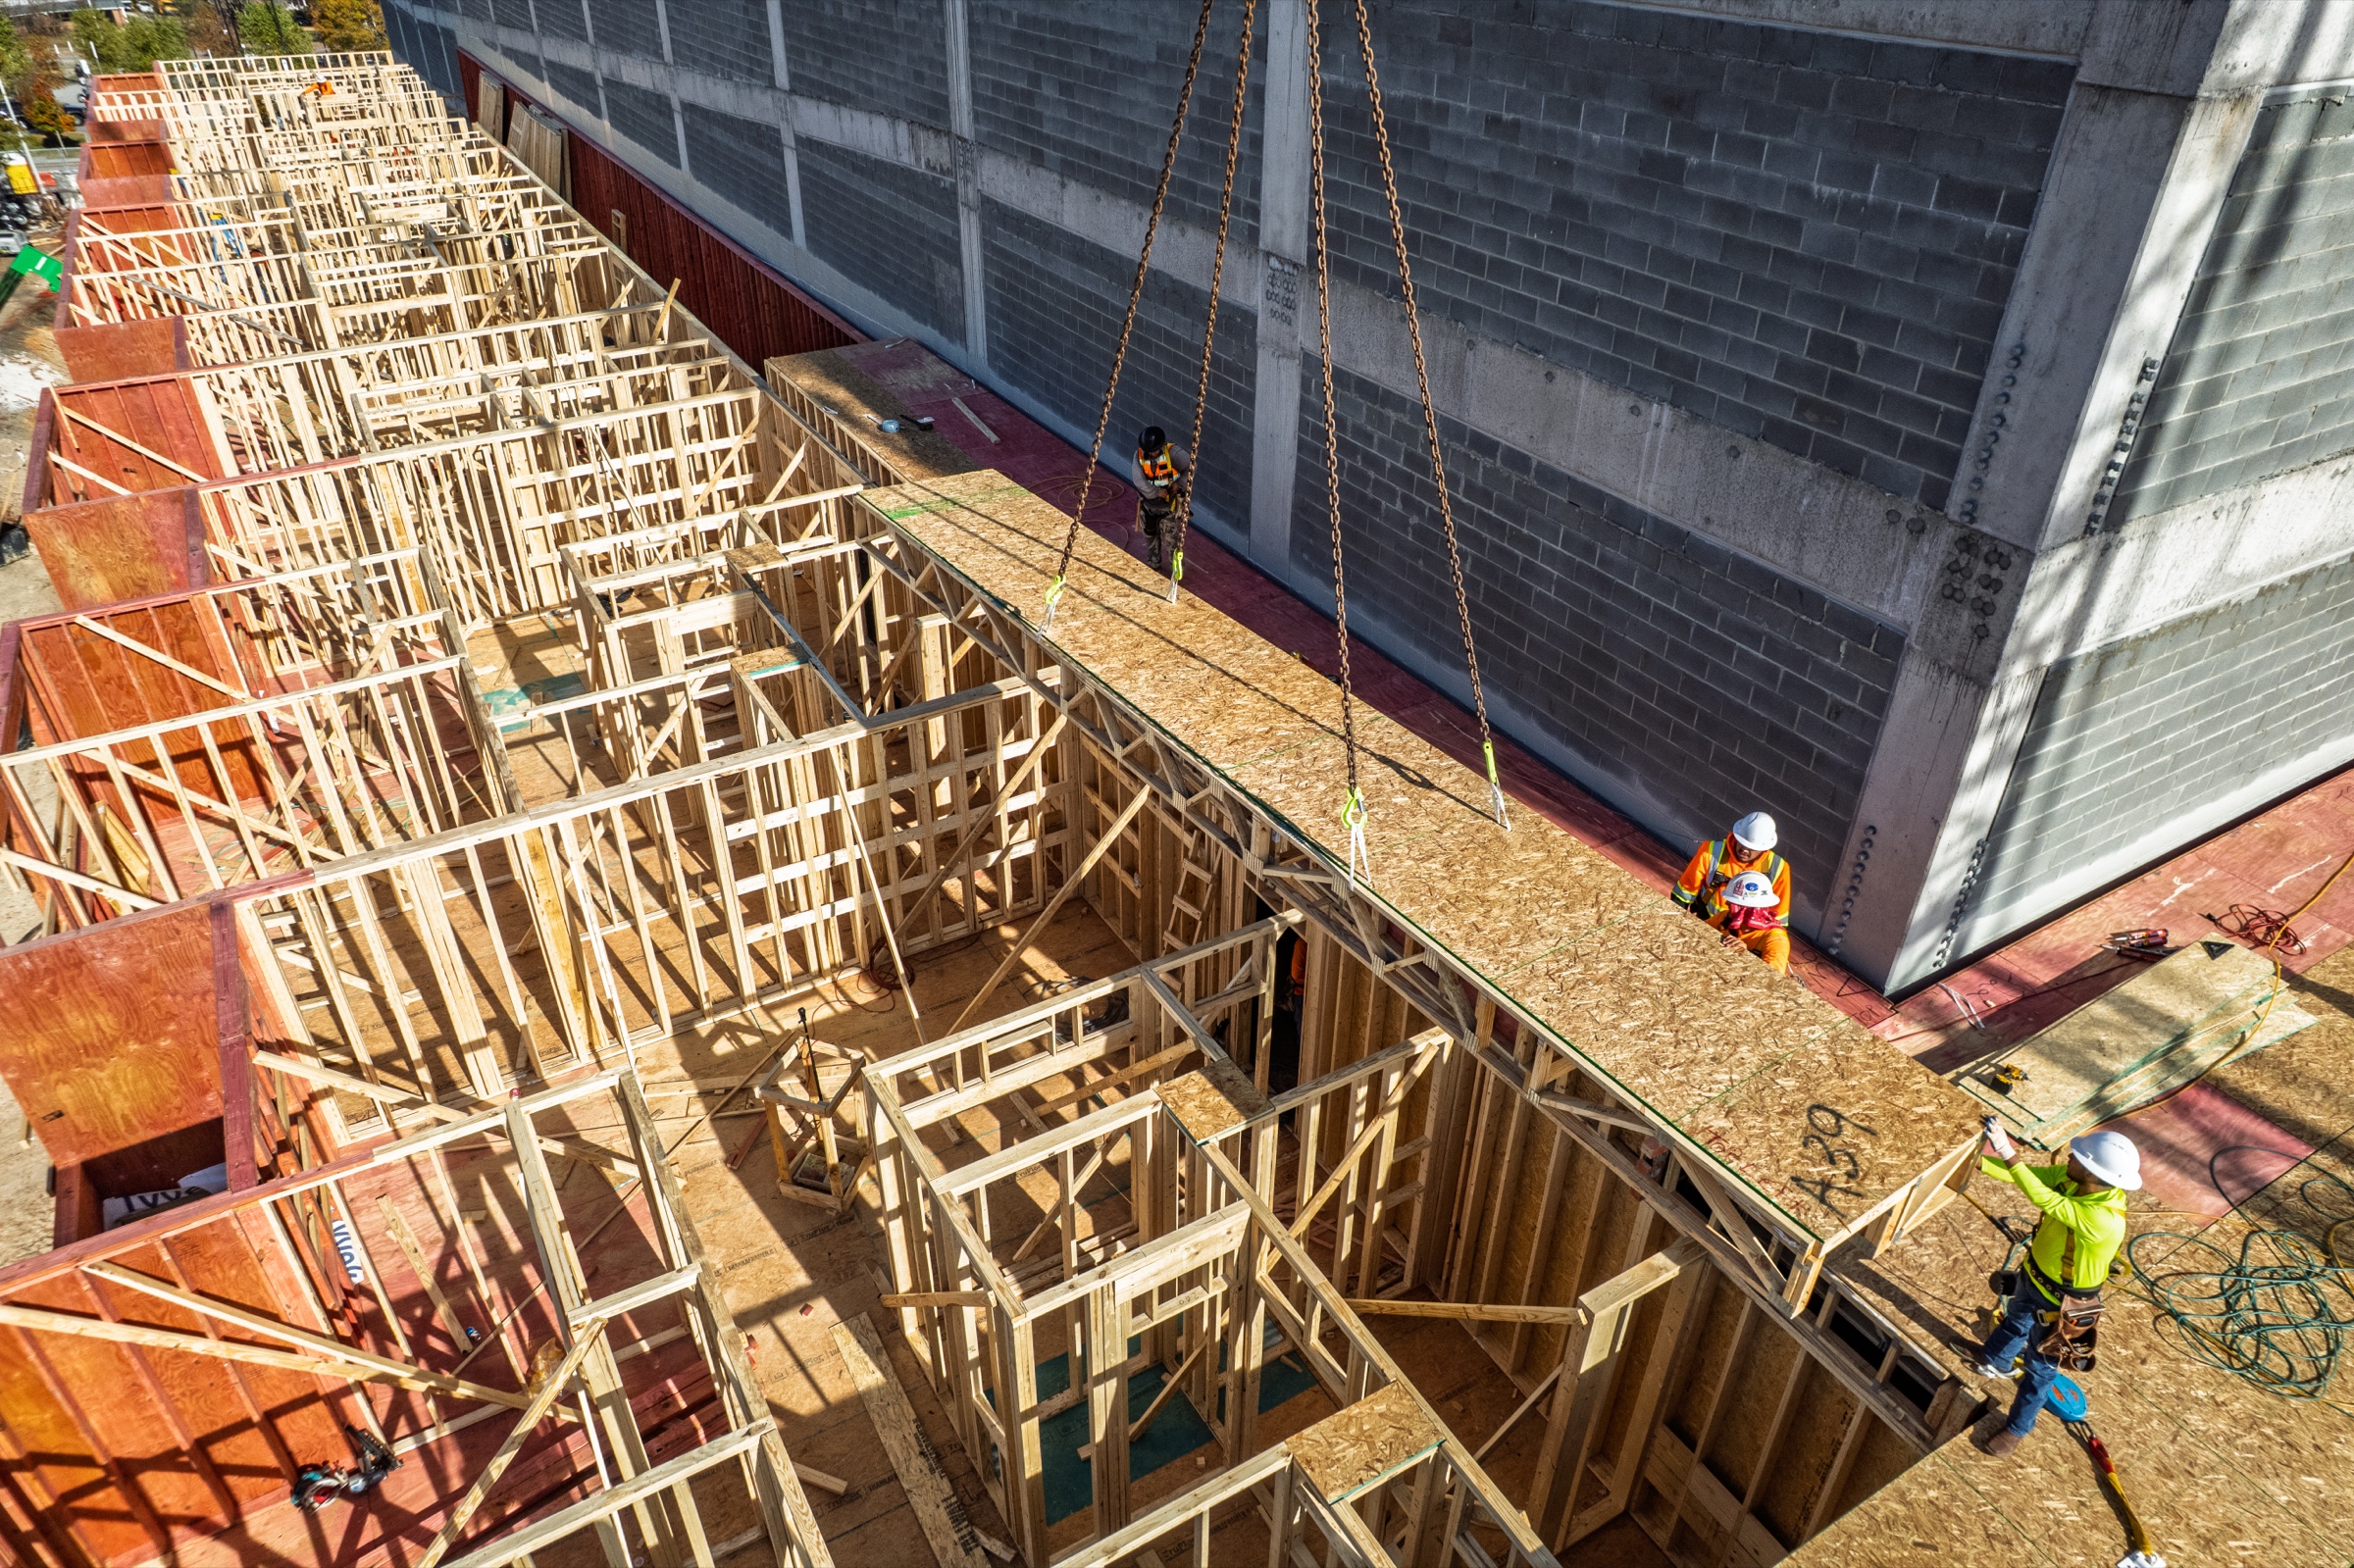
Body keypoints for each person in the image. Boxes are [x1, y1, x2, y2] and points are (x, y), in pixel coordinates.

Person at [1969, 1125, 2138, 1455]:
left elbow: (2041, 1196)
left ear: (2092, 1173)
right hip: (2034, 1276)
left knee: (2041, 1366)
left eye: (2079, 1156)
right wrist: (1978, 1163)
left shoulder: (2103, 1218)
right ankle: (1996, 1360)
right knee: (2015, 1321)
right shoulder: (2074, 1177)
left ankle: (2017, 1429)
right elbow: (2029, 1176)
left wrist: (2006, 1150)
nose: (2070, 1156)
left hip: (2063, 1304)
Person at [1673, 811, 1790, 934]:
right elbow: (1684, 892)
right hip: (1707, 921)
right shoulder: (1711, 851)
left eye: (1751, 848)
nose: (1744, 850)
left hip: (1744, 936)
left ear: (1764, 847)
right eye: (1742, 842)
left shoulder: (1779, 868)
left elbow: (1779, 918)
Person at [1131, 426, 1191, 571]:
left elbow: (1191, 466)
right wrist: (1156, 492)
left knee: (1171, 539)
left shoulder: (1174, 454)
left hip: (1168, 506)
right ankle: (1153, 562)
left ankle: (1177, 569)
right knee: (1150, 534)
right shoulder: (1139, 456)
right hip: (1148, 504)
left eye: (1155, 450)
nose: (1152, 453)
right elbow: (1138, 480)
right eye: (1149, 451)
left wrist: (1179, 483)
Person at [1712, 870, 1790, 974]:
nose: (1727, 903)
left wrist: (1745, 957)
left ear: (1748, 910)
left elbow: (1773, 980)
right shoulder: (1723, 918)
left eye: (1734, 903)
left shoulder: (1776, 939)